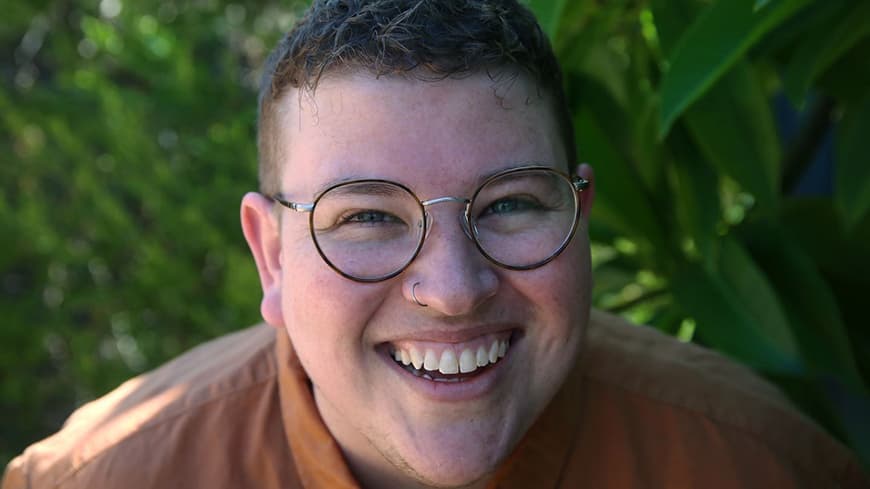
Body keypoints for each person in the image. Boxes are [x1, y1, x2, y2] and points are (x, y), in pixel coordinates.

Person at [3, 1, 867, 488]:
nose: (454, 288)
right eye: (368, 217)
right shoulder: (98, 482)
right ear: (270, 255)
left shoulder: (758, 465)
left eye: (511, 206)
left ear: (582, 216)